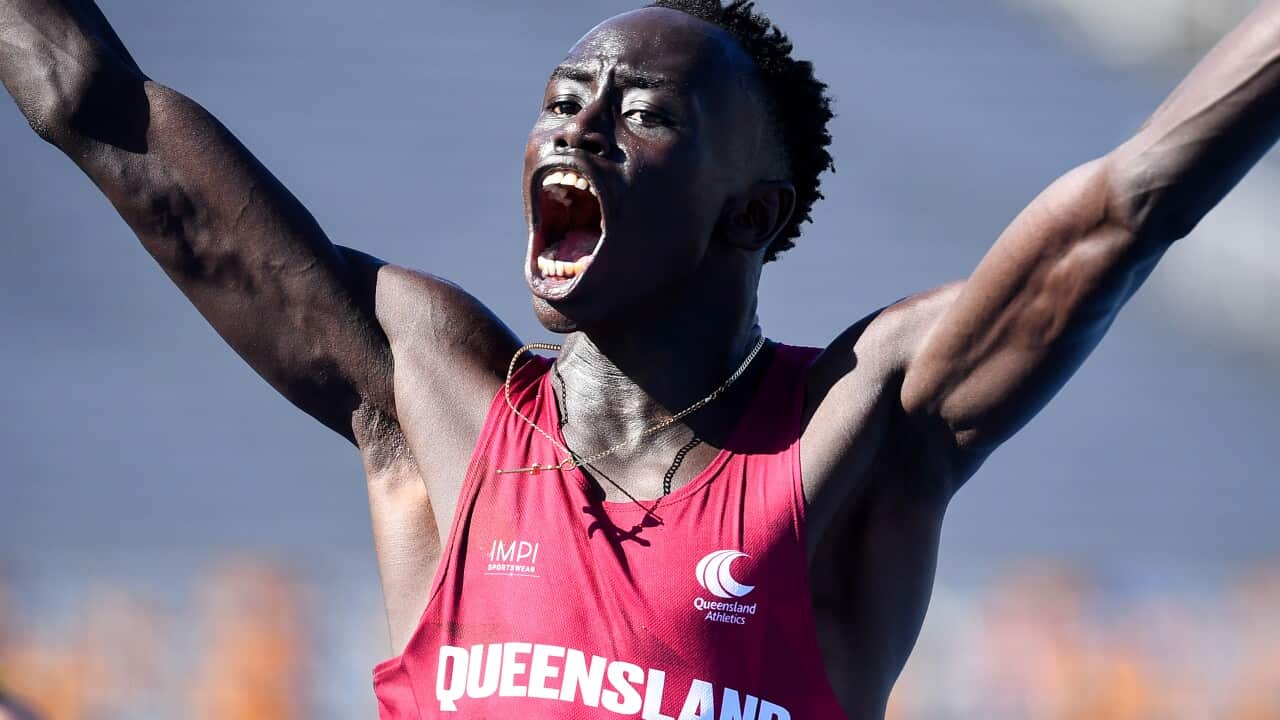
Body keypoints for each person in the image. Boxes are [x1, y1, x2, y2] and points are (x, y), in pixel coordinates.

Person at [2, 0, 1277, 717]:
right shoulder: (431, 393)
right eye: (563, 101)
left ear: (751, 215)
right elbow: (94, 108)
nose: (583, 126)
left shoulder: (847, 432)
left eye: (645, 114)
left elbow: (1118, 211)